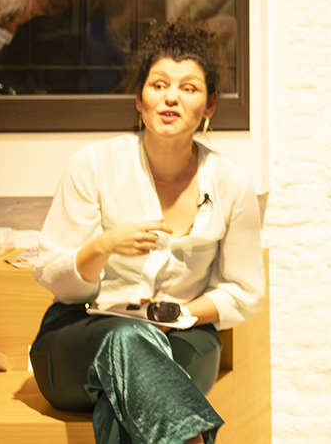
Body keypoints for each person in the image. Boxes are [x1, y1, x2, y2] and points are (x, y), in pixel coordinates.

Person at [32, 23, 263, 444]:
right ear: (140, 99)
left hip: (184, 338)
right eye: (159, 85)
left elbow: (244, 291)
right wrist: (104, 246)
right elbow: (53, 275)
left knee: (129, 396)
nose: (171, 97)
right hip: (79, 337)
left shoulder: (231, 182)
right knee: (127, 340)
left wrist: (181, 314)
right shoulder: (93, 164)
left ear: (210, 105)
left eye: (188, 88)